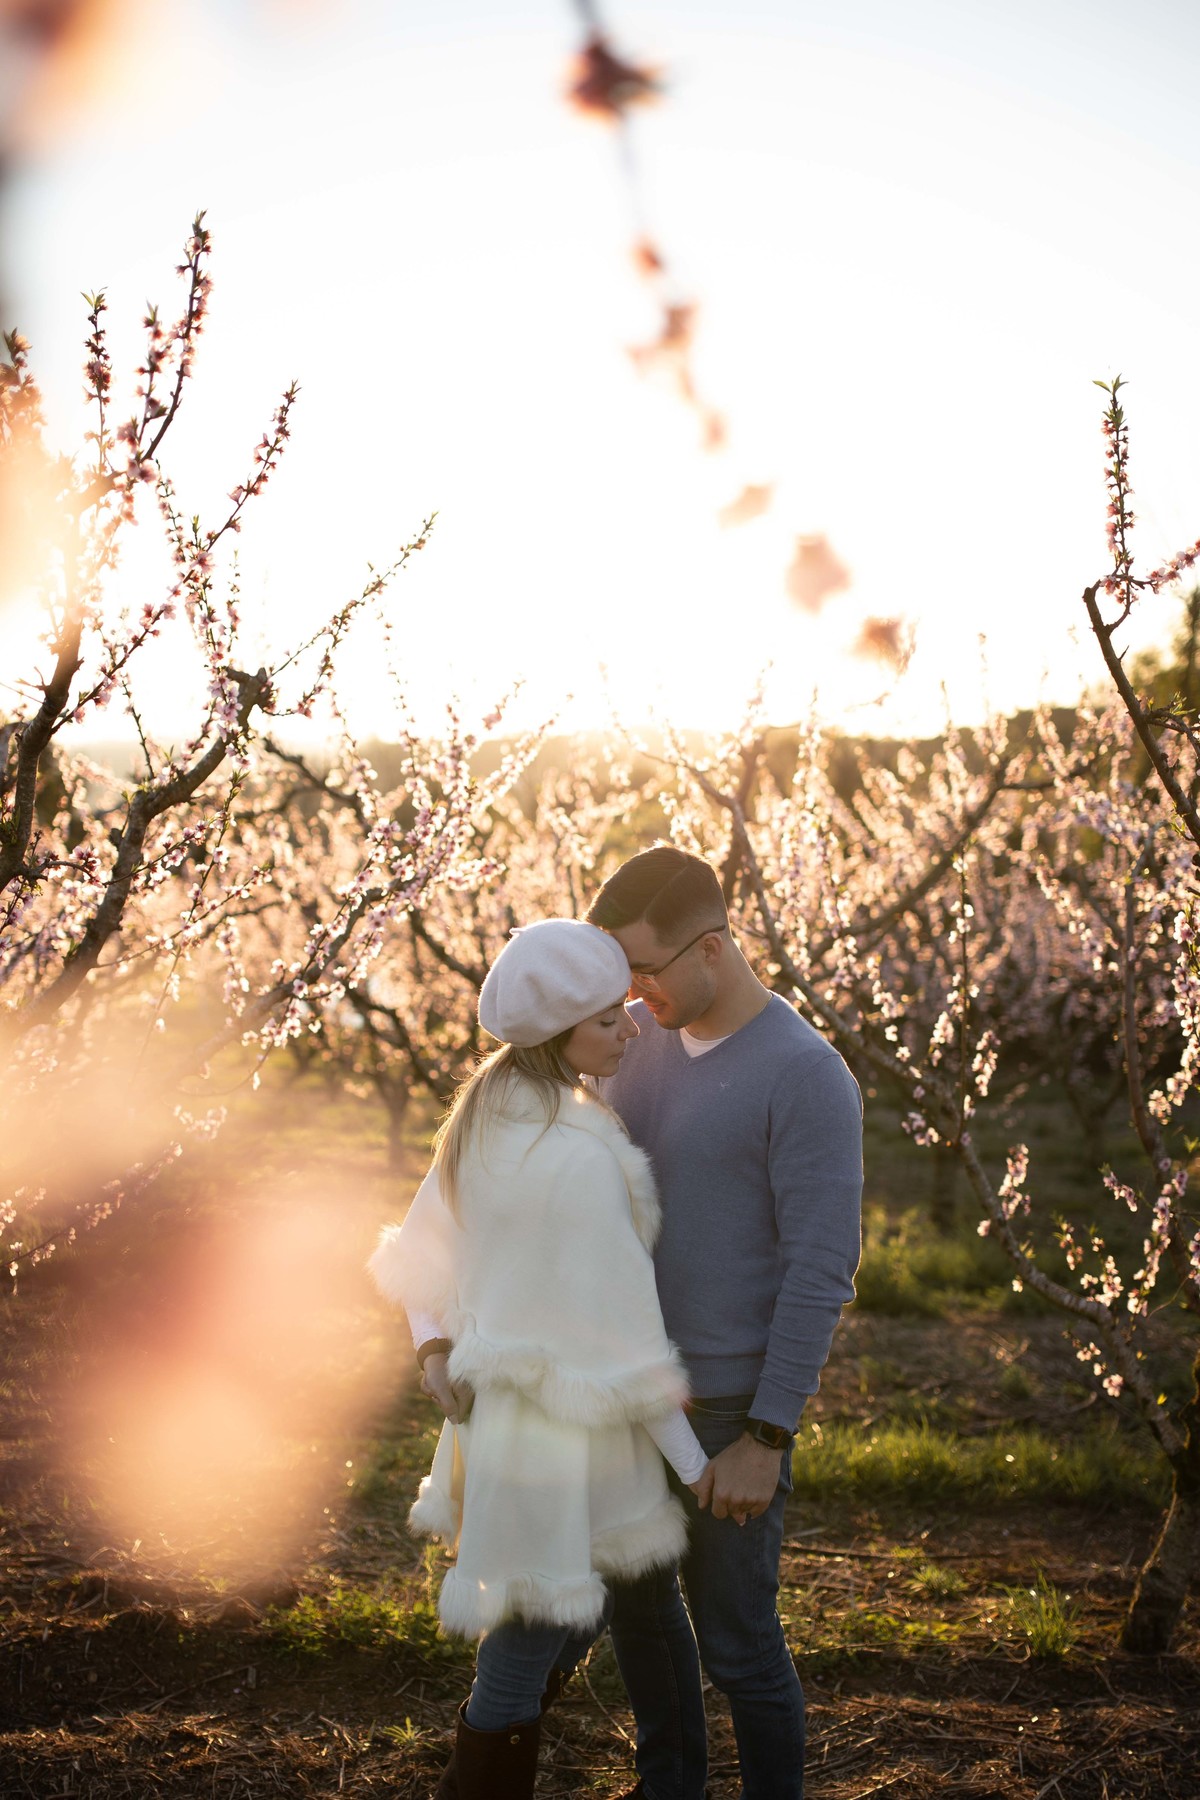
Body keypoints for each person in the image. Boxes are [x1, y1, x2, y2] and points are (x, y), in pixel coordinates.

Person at [368, 918, 714, 1800]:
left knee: (620, 1602)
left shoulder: (485, 1117)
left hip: (508, 1434)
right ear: (560, 1036)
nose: (631, 1031)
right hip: (574, 1444)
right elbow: (627, 1337)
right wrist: (694, 1466)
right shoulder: (577, 1156)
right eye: (608, 1021)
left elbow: (418, 1254)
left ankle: (671, 1780)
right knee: (526, 1643)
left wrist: (434, 1345)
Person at [586, 844, 863, 1800]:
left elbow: (822, 1268)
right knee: (641, 1618)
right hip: (625, 1392)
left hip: (727, 1408)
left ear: (711, 948)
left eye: (645, 968)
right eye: (617, 972)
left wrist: (767, 1435)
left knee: (738, 1643)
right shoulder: (627, 1037)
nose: (631, 991)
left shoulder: (805, 1074)